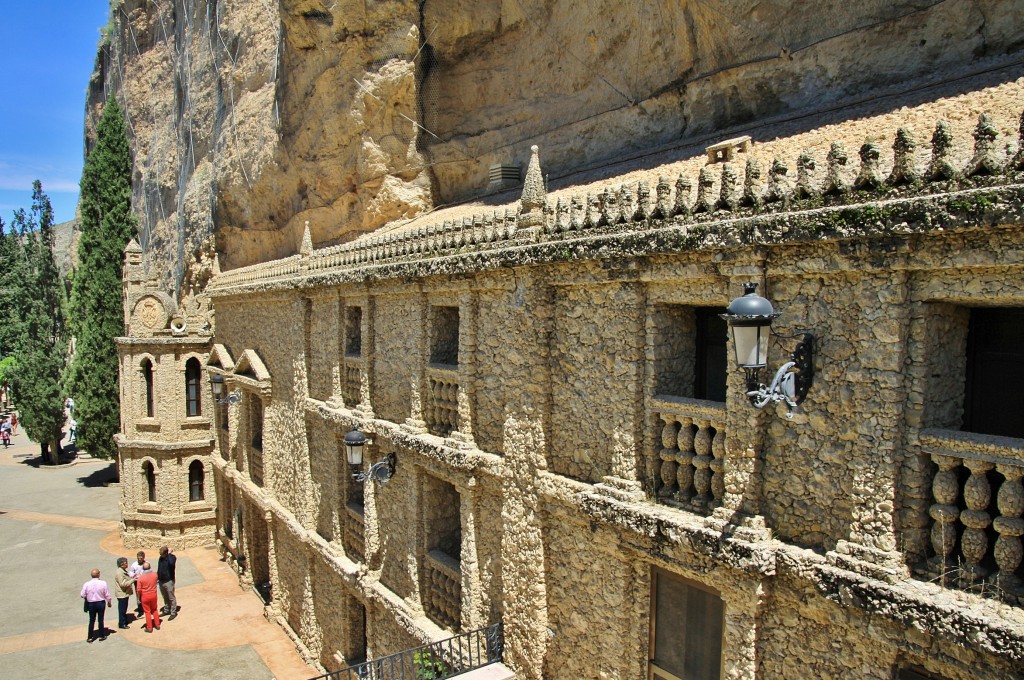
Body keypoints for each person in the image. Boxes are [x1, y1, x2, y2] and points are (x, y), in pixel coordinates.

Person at [80, 568, 112, 643]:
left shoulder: (87, 584)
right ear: (98, 574)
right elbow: (107, 594)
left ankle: (90, 637)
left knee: (91, 620)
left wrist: (88, 597)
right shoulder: (103, 583)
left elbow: (82, 595)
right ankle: (101, 635)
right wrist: (109, 602)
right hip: (100, 603)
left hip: (91, 604)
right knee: (101, 620)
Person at [135, 561, 161, 633]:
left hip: (145, 596)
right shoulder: (155, 575)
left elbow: (138, 590)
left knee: (147, 612)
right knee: (155, 609)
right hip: (153, 595)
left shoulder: (140, 578)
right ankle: (157, 624)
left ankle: (149, 628)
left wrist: (138, 598)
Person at [157, 546, 178, 619]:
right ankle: (166, 610)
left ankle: (173, 612)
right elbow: (159, 568)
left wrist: (169, 554)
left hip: (169, 581)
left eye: (162, 554)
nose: (160, 556)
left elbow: (171, 564)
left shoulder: (172, 558)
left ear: (166, 553)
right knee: (165, 596)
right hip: (161, 581)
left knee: (171, 597)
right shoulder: (161, 558)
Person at [114, 557, 134, 629]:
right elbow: (122, 584)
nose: (127, 564)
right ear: (122, 564)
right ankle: (122, 623)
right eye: (126, 563)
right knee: (122, 609)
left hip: (124, 593)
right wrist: (132, 580)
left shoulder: (122, 571)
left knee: (124, 608)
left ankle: (124, 621)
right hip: (122, 594)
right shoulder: (120, 573)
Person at [127, 551, 146, 617]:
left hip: (145, 582)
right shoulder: (134, 564)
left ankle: (146, 608)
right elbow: (130, 572)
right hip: (137, 582)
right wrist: (134, 575)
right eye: (138, 558)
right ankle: (140, 610)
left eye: (141, 558)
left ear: (143, 557)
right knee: (139, 595)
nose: (139, 559)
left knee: (145, 595)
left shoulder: (146, 564)